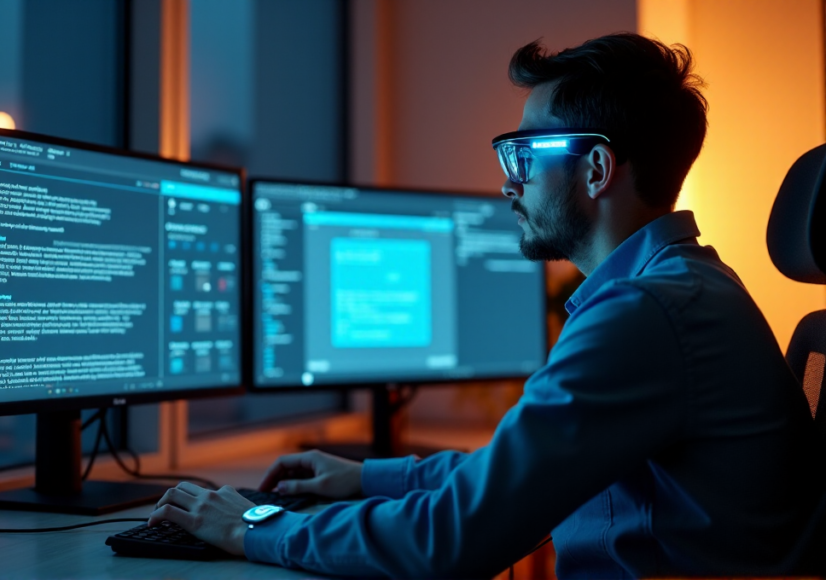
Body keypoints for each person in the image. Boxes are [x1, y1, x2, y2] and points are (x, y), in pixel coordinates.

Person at [148, 33, 826, 578]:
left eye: (523, 155)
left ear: (596, 169)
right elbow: (515, 470)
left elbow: (455, 537)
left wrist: (250, 526)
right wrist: (365, 476)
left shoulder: (647, 312)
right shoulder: (684, 287)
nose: (509, 186)